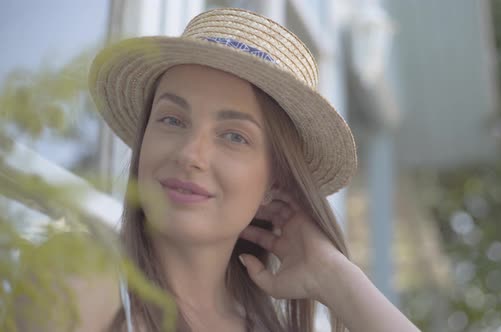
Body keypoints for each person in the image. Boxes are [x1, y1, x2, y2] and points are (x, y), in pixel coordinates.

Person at [80, 7, 419, 332]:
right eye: (171, 119)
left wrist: (334, 277)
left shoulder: (272, 325)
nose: (190, 155)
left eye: (234, 136)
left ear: (276, 181)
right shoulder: (81, 291)